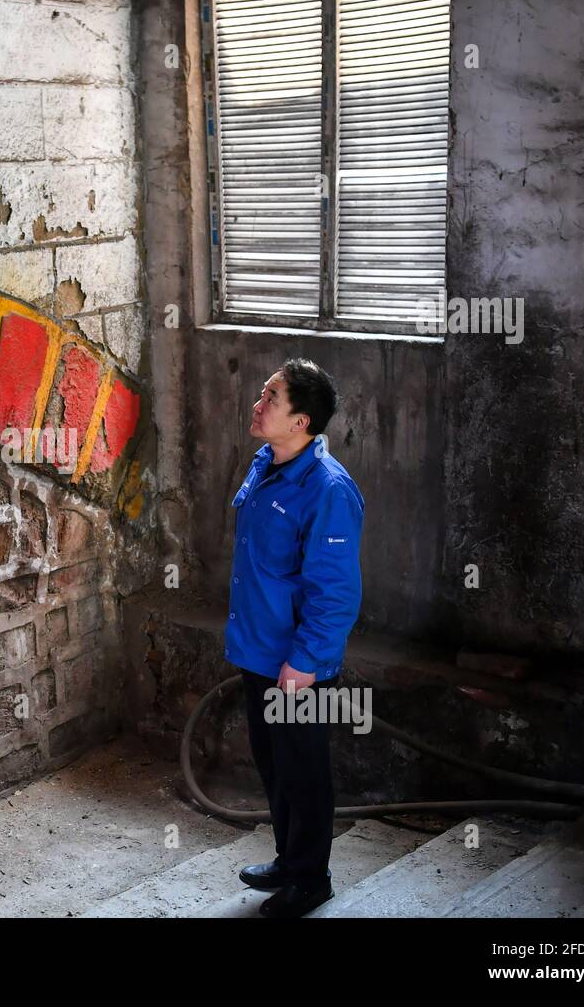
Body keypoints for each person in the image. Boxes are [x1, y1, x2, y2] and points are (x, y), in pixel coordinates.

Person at [228, 358, 364, 918]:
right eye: (263, 393)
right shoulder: (268, 464)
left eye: (272, 398)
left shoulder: (328, 490)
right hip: (259, 650)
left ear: (301, 421)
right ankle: (289, 861)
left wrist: (305, 663)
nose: (259, 404)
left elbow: (335, 592)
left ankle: (312, 880)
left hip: (296, 666)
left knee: (304, 773)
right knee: (274, 764)